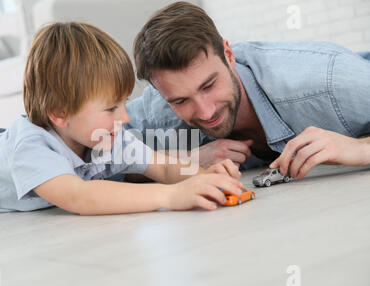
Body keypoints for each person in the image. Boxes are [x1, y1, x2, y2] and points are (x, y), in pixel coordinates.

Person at [0, 22, 244, 216]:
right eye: (111, 108)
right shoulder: (32, 148)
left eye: (123, 103)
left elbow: (158, 165)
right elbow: (80, 197)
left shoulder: (104, 135)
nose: (126, 116)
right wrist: (172, 196)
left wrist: (201, 174)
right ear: (60, 113)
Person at [125, 1, 370, 180]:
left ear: (229, 55)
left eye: (209, 85)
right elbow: (92, 156)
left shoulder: (328, 81)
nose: (205, 111)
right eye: (180, 100)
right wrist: (184, 161)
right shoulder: (158, 110)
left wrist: (362, 148)